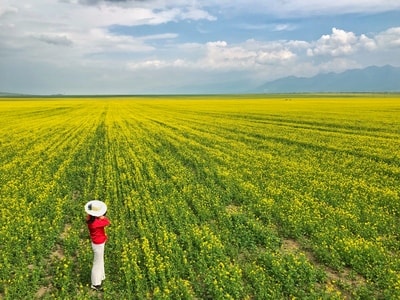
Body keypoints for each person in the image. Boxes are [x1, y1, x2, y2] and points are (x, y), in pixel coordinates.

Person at [84, 200, 110, 291]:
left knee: (100, 261)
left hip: (96, 242)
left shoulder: (90, 219)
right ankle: (95, 284)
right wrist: (102, 217)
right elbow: (107, 222)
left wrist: (99, 217)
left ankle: (101, 277)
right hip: (98, 244)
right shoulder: (96, 223)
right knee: (97, 263)